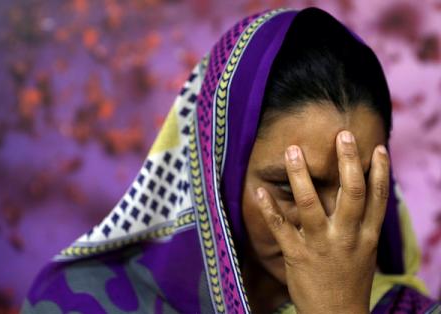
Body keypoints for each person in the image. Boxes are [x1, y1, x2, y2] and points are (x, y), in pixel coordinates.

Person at [22, 7, 440, 314]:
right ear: (214, 172)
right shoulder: (80, 302)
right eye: (290, 186)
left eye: (357, 185)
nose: (328, 224)